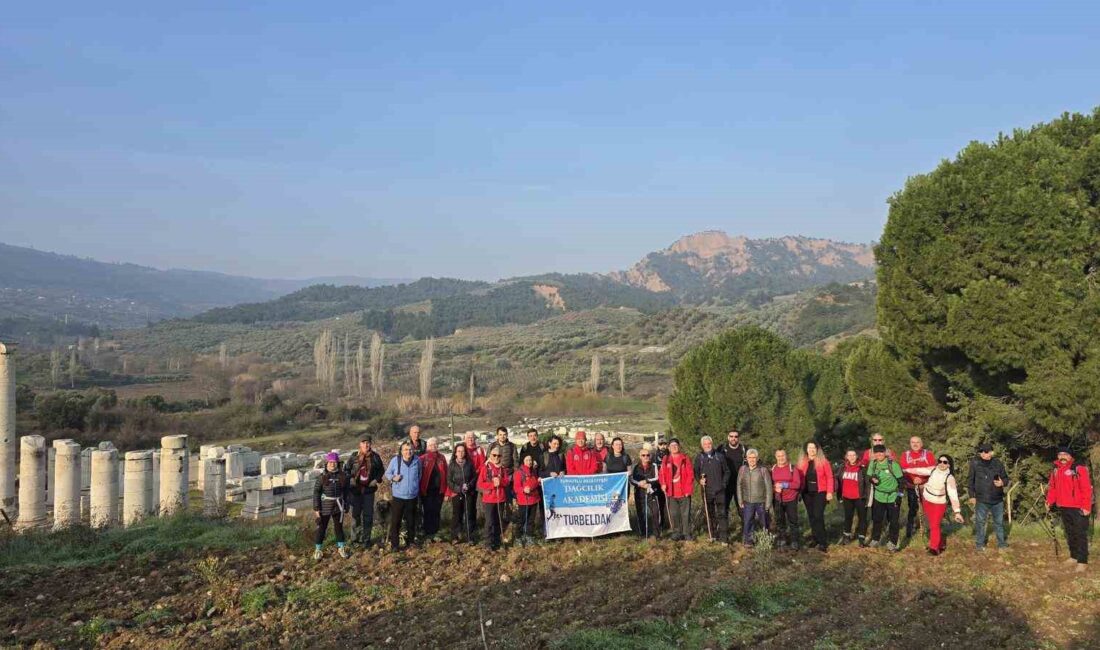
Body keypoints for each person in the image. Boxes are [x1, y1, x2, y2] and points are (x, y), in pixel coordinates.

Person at [1046, 447, 1093, 571]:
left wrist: (1086, 506)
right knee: (1070, 533)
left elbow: (1086, 489)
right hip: (1063, 506)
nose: (1062, 456)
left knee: (1080, 533)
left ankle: (1082, 561)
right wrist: (1049, 501)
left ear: (1070, 456)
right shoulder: (1056, 470)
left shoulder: (1079, 468)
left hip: (1078, 507)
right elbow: (1053, 488)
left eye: (1065, 454)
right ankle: (1074, 556)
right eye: (1060, 454)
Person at [915, 454, 964, 555]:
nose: (942, 464)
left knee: (935, 525)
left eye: (945, 462)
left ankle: (934, 548)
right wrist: (904, 470)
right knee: (931, 523)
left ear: (949, 465)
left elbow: (953, 495)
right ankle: (940, 544)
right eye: (940, 461)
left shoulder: (950, 478)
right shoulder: (933, 469)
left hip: (939, 503)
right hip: (927, 500)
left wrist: (957, 512)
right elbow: (919, 470)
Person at [344, 436, 384, 547]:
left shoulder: (375, 457)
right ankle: (355, 539)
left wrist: (376, 480)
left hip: (369, 491)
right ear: (360, 444)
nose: (366, 445)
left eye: (368, 443)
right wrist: (351, 478)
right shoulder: (353, 457)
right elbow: (346, 469)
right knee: (355, 515)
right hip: (355, 490)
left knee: (368, 515)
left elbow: (381, 470)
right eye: (364, 443)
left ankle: (366, 539)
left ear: (370, 444)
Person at [968, 443, 1009, 551]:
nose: (983, 454)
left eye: (986, 452)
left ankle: (1002, 544)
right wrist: (972, 495)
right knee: (980, 523)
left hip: (997, 499)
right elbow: (970, 480)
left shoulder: (998, 463)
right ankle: (979, 545)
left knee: (999, 523)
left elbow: (1006, 479)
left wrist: (1002, 483)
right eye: (981, 452)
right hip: (981, 499)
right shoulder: (975, 463)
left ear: (991, 452)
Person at [796, 441, 834, 552]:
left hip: (820, 492)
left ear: (817, 449)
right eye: (809, 448)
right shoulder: (802, 462)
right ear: (806, 450)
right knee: (811, 516)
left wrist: (830, 492)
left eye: (814, 448)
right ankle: (815, 539)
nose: (812, 450)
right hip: (807, 493)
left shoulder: (823, 461)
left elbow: (830, 477)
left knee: (818, 516)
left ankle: (823, 542)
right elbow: (798, 477)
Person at [384, 441, 422, 551]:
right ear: (401, 451)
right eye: (405, 449)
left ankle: (410, 543)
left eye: (410, 450)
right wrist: (393, 478)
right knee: (396, 522)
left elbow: (419, 475)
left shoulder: (417, 461)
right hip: (398, 497)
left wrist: (414, 486)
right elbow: (387, 473)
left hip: (412, 497)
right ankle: (395, 545)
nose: (408, 452)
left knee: (411, 521)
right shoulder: (396, 461)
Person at [313, 452, 350, 560]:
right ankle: (318, 549)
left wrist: (346, 504)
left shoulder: (343, 476)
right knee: (322, 528)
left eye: (334, 462)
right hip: (325, 506)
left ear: (338, 463)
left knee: (339, 528)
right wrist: (316, 509)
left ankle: (341, 547)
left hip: (338, 506)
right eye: (330, 462)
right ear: (327, 463)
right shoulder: (322, 477)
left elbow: (346, 492)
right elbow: (316, 492)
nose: (332, 464)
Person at [867, 444, 904, 551]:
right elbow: (869, 477)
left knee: (893, 521)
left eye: (881, 452)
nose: (879, 454)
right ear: (874, 454)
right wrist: (873, 479)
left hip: (893, 496)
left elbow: (902, 482)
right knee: (877, 519)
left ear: (885, 453)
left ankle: (893, 542)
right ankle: (875, 539)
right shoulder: (873, 464)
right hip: (879, 496)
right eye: (876, 452)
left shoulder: (893, 465)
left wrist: (899, 496)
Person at [899, 436, 936, 539]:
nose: (915, 444)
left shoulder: (928, 454)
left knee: (927, 509)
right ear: (910, 444)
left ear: (922, 443)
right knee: (912, 509)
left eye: (917, 442)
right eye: (913, 442)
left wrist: (921, 479)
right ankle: (910, 531)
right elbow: (903, 470)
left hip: (926, 486)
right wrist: (913, 480)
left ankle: (929, 532)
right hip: (911, 486)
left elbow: (933, 470)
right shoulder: (905, 455)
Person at [694, 435, 729, 543]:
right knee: (710, 513)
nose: (707, 445)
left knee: (722, 514)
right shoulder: (699, 458)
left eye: (709, 443)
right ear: (702, 445)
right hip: (706, 491)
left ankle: (724, 538)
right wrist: (699, 480)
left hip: (720, 490)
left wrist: (723, 484)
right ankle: (712, 534)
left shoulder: (720, 456)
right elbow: (696, 472)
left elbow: (727, 471)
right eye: (705, 444)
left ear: (712, 444)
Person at [658, 438, 694, 541]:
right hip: (671, 492)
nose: (674, 447)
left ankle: (686, 533)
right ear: (669, 448)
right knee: (674, 514)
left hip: (684, 492)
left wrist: (688, 489)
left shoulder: (685, 458)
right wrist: (663, 484)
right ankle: (676, 532)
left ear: (679, 446)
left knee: (685, 514)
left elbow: (690, 475)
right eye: (672, 445)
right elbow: (662, 474)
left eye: (676, 445)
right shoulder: (666, 459)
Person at [737, 449, 772, 546]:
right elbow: (739, 485)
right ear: (746, 459)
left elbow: (769, 488)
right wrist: (740, 499)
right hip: (747, 501)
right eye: (750, 458)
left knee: (763, 522)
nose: (752, 460)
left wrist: (768, 503)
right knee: (748, 522)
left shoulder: (763, 470)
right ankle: (748, 540)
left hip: (761, 501)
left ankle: (765, 540)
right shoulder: (743, 469)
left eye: (754, 458)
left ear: (757, 458)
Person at [478, 447, 511, 551]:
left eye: (499, 455)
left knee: (498, 521)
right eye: (494, 455)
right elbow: (480, 484)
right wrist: (492, 484)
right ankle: (488, 543)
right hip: (489, 499)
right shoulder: (486, 468)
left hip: (500, 498)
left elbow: (507, 482)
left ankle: (497, 542)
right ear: (490, 456)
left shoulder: (503, 469)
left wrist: (500, 482)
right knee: (489, 522)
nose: (496, 457)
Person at [446, 441, 478, 543]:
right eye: (458, 451)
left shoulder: (469, 464)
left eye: (462, 451)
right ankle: (455, 536)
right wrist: (458, 489)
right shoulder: (452, 465)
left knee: (469, 514)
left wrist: (469, 486)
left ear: (465, 453)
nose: (460, 453)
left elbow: (474, 477)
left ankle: (471, 537)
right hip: (457, 493)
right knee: (457, 515)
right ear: (455, 453)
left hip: (469, 493)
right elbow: (449, 481)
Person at [837, 450, 869, 547]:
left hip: (860, 497)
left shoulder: (862, 468)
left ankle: (861, 539)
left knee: (862, 518)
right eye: (849, 455)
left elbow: (867, 484)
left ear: (857, 456)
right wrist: (839, 495)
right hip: (847, 497)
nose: (851, 457)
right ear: (846, 457)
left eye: (853, 455)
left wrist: (867, 497)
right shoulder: (842, 468)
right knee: (848, 517)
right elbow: (838, 482)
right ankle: (846, 537)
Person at [771, 449, 803, 550]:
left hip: (791, 499)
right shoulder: (773, 469)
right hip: (777, 499)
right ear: (776, 457)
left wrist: (784, 485)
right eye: (779, 456)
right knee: (780, 521)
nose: (781, 458)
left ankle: (795, 541)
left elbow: (797, 484)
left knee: (793, 521)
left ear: (786, 456)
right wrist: (774, 488)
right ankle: (782, 539)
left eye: (783, 455)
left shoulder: (793, 468)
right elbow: (770, 484)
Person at [418, 437, 448, 542]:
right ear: (427, 447)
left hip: (439, 490)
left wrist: (446, 490)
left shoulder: (442, 458)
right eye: (431, 445)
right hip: (427, 490)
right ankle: (428, 533)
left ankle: (435, 531)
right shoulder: (422, 458)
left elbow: (447, 473)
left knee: (436, 511)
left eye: (435, 445)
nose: (433, 446)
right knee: (427, 511)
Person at [630, 444, 661, 539]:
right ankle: (643, 533)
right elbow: (632, 479)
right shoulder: (635, 467)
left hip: (652, 492)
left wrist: (647, 482)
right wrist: (639, 484)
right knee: (641, 514)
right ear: (640, 456)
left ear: (650, 456)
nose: (646, 457)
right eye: (643, 455)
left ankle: (656, 534)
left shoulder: (654, 465)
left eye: (647, 455)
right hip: (639, 493)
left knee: (655, 513)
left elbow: (657, 478)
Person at [513, 453, 541, 545]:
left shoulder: (533, 471)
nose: (529, 462)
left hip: (534, 499)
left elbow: (535, 484)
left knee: (531, 520)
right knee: (522, 520)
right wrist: (523, 490)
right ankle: (518, 537)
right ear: (523, 461)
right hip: (524, 500)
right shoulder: (518, 473)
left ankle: (529, 536)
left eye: (530, 460)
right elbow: (516, 487)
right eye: (527, 460)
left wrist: (538, 481)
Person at [718, 430, 746, 517]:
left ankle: (746, 529)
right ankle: (724, 529)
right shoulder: (721, 449)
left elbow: (755, 460)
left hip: (740, 484)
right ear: (728, 437)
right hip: (726, 484)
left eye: (736, 436)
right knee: (724, 508)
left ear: (738, 438)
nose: (733, 438)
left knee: (742, 509)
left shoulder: (744, 449)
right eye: (731, 436)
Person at [654, 436, 671, 530]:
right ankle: (661, 524)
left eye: (665, 444)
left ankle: (670, 523)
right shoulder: (654, 456)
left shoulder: (670, 455)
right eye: (661, 444)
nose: (663, 446)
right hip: (658, 483)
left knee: (669, 504)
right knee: (660, 504)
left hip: (669, 482)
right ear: (658, 446)